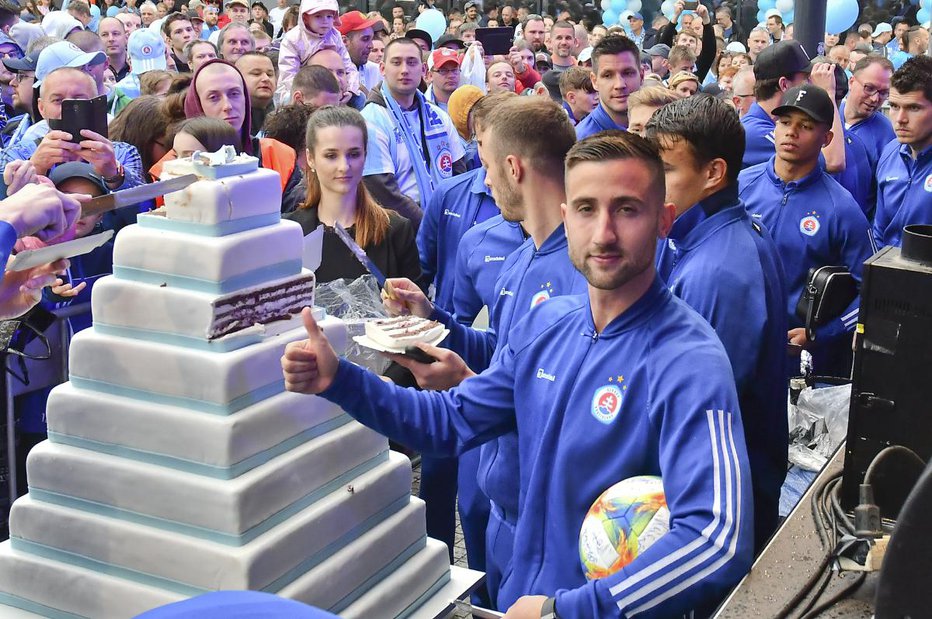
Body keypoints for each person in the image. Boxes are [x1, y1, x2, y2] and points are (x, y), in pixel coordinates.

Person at [282, 128, 754, 618]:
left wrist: (567, 611)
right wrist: (340, 381)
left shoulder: (690, 360)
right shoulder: (548, 325)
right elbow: (450, 421)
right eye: (587, 209)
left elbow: (714, 539)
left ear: (664, 220)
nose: (605, 233)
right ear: (567, 218)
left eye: (628, 209)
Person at [647, 94, 788, 553]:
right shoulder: (707, 238)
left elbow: (699, 405)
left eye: (666, 170)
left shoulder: (717, 271)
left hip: (718, 499)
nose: (651, 183)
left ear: (713, 173)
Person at [739, 85, 873, 376]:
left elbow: (873, 291)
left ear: (826, 139)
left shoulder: (841, 209)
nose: (791, 132)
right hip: (740, 347)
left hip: (798, 364)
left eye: (806, 126)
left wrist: (821, 333)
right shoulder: (741, 186)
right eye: (785, 122)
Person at [284, 105, 421, 286]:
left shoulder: (396, 230)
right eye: (331, 155)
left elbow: (417, 307)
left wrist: (404, 307)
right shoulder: (289, 232)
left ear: (365, 154)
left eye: (353, 154)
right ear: (310, 158)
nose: (344, 166)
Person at [153, 59, 301, 211]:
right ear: (196, 105)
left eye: (234, 94)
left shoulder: (277, 155)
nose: (228, 106)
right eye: (214, 97)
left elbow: (300, 217)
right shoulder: (167, 170)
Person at [360, 37, 466, 229]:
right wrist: (430, 226)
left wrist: (452, 217)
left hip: (445, 218)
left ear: (424, 70)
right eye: (396, 62)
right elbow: (382, 190)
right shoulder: (371, 119)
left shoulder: (438, 116)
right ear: (382, 69)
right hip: (397, 227)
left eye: (411, 62)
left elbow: (458, 171)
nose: (404, 70)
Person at [0, 65, 144, 199]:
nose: (68, 107)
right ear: (41, 108)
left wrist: (114, 174)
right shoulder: (15, 156)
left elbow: (143, 205)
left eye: (78, 98)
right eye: (58, 100)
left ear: (96, 104)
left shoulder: (122, 153)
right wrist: (34, 168)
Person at [873, 55, 932, 248]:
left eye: (913, 108)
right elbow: (880, 231)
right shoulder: (890, 153)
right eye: (894, 107)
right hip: (888, 273)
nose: (900, 119)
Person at [275, 0, 358, 106]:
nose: (325, 21)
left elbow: (348, 66)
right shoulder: (292, 38)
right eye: (318, 16)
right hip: (300, 88)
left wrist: (351, 89)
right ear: (305, 17)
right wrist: (308, 93)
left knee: (359, 98)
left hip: (333, 88)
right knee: (288, 102)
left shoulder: (335, 35)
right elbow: (288, 73)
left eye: (329, 16)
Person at [841, 56, 895, 215]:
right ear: (851, 82)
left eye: (884, 93)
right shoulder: (827, 115)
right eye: (869, 88)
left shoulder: (888, 135)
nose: (875, 98)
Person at [575, 35, 642, 138]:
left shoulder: (662, 130)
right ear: (594, 81)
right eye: (608, 76)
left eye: (628, 73)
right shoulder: (582, 139)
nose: (620, 84)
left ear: (641, 75)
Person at [111, 28, 169, 114]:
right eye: (143, 72)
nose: (150, 74)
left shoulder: (175, 85)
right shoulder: (119, 91)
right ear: (129, 60)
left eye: (156, 69)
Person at [338, 10, 381, 92]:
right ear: (344, 41)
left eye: (371, 39)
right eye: (365, 39)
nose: (371, 46)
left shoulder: (377, 71)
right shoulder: (328, 74)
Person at [236, 51, 276, 131]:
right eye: (256, 74)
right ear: (237, 78)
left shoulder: (285, 119)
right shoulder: (229, 119)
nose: (266, 78)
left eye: (270, 74)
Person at [98, 16, 129, 81]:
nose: (111, 39)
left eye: (115, 34)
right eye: (105, 34)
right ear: (98, 39)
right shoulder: (94, 72)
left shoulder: (137, 67)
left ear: (126, 37)